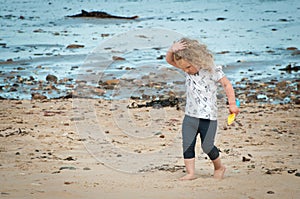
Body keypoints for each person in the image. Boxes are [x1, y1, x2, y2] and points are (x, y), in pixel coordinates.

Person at [165, 38, 239, 180]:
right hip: (190, 116)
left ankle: (219, 167)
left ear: (197, 60)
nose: (186, 71)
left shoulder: (212, 70)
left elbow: (227, 85)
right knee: (187, 144)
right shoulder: (187, 70)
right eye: (184, 68)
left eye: (188, 67)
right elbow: (169, 61)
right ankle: (191, 173)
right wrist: (172, 49)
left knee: (207, 146)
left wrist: (232, 104)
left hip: (208, 117)